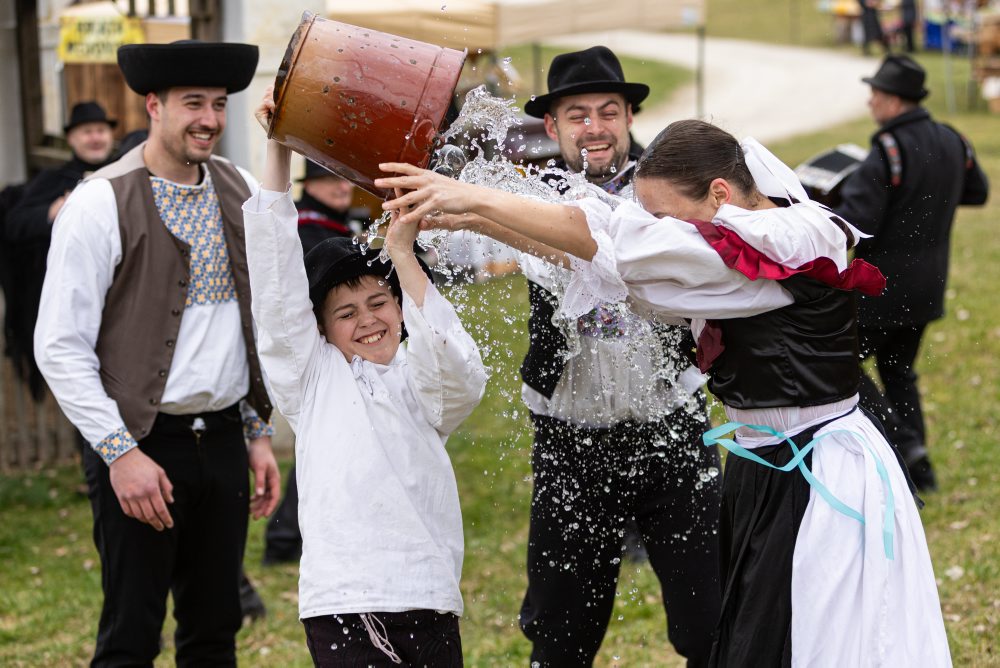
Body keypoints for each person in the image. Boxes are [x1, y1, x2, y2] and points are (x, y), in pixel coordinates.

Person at [375, 117, 952, 666]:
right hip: (763, 468)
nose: (656, 229)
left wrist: (471, 197)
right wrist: (467, 217)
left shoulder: (790, 236)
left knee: (815, 638)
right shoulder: (726, 255)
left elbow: (619, 243)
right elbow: (604, 255)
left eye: (664, 217)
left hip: (820, 474)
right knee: (755, 636)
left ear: (721, 194)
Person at [34, 41, 280, 666]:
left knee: (215, 629)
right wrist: (120, 453)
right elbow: (58, 346)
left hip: (222, 438)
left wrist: (253, 431)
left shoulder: (240, 186)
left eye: (219, 105)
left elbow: (242, 324)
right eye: (192, 103)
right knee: (130, 635)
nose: (209, 119)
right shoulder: (98, 202)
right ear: (154, 106)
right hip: (139, 442)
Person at [245, 89, 487, 666]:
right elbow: (275, 277)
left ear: (401, 309)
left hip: (425, 591)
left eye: (379, 303)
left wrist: (403, 256)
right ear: (322, 328)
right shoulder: (312, 381)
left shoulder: (420, 377)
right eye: (346, 313)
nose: (368, 321)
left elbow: (460, 374)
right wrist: (280, 145)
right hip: (341, 602)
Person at [835, 55, 989, 492]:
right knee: (900, 370)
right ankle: (920, 469)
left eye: (875, 94)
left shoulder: (888, 150)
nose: (870, 102)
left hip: (879, 292)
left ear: (893, 100)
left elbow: (856, 221)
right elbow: (977, 192)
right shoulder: (952, 139)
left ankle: (902, 442)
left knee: (840, 367)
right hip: (928, 287)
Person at [262, 159, 365, 566]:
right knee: (320, 441)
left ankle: (297, 533)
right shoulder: (308, 228)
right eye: (329, 181)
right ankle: (286, 536)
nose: (340, 188)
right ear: (311, 186)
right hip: (319, 356)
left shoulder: (338, 223)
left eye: (343, 179)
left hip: (343, 351)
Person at [5, 101, 117, 398]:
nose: (95, 137)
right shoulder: (53, 180)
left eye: (100, 131)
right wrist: (52, 211)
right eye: (87, 131)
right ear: (71, 139)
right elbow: (14, 224)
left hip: (118, 299)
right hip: (74, 299)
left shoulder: (123, 172)